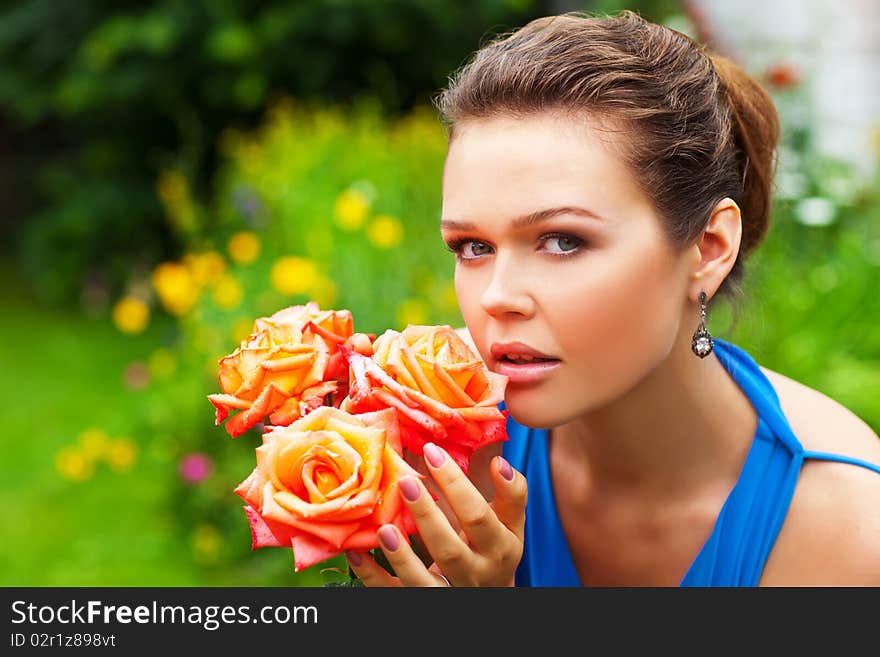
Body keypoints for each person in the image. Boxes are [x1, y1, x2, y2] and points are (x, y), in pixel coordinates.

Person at [344, 10, 880, 586]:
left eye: (563, 241)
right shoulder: (439, 447)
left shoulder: (844, 526)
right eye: (473, 247)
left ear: (709, 246)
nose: (496, 298)